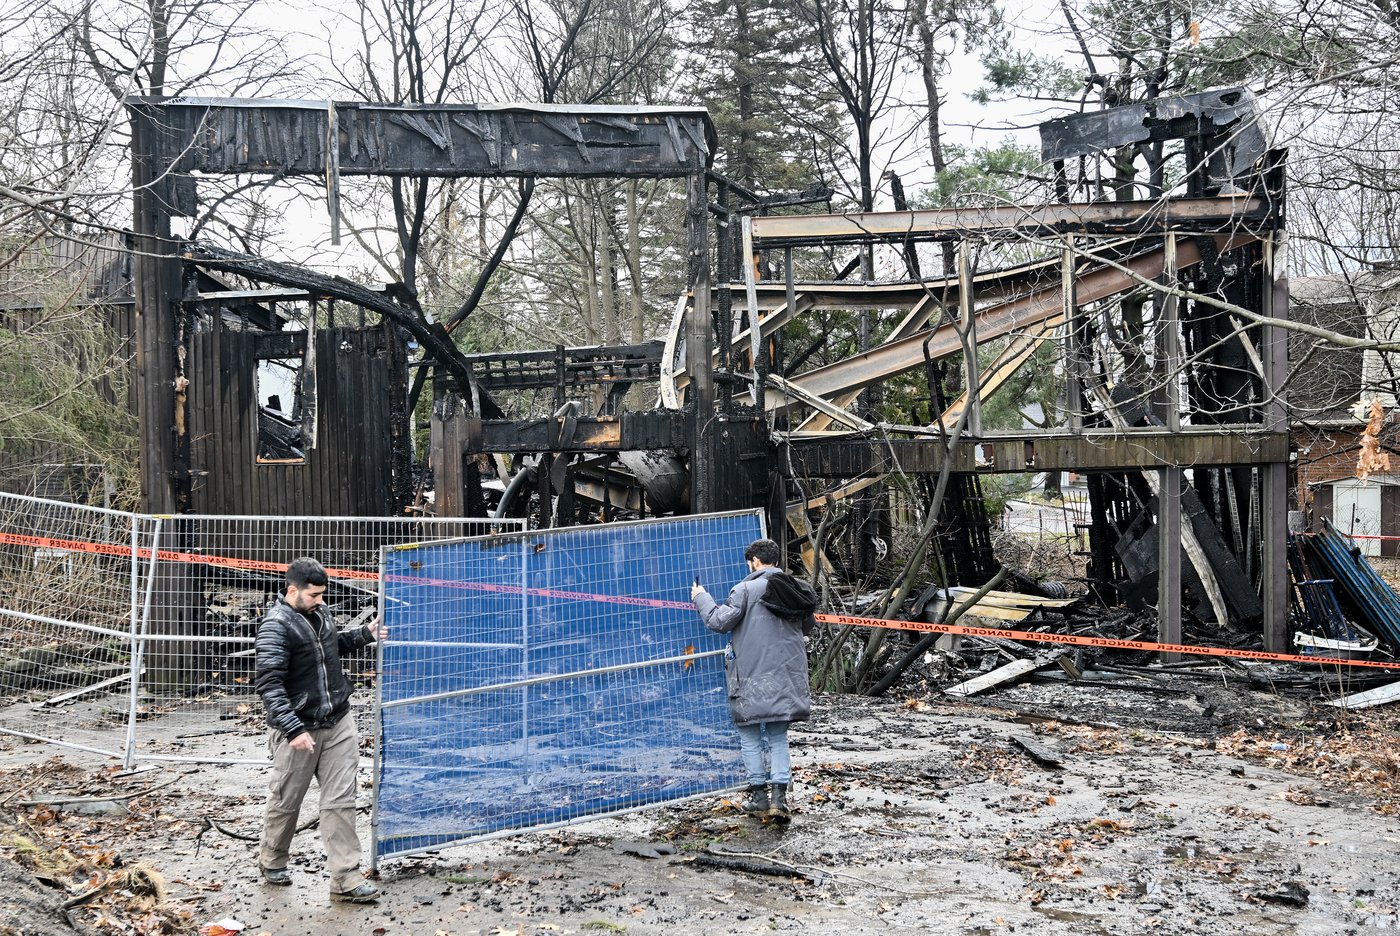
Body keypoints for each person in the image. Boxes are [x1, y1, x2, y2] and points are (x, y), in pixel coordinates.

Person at [255, 557, 383, 903]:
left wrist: (363, 635)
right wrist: (293, 729)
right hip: (298, 730)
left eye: (322, 594)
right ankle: (272, 859)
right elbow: (269, 684)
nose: (321, 601)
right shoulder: (275, 627)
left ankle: (346, 878)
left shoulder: (320, 614)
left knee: (341, 800)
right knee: (286, 800)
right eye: (314, 595)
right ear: (292, 590)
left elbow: (329, 648)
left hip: (337, 720)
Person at [692, 538, 817, 823]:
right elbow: (808, 625)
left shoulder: (745, 590)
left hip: (751, 676)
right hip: (786, 675)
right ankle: (780, 799)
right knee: (778, 737)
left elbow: (718, 622)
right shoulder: (796, 588)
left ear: (755, 562)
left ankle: (758, 797)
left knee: (749, 736)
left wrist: (701, 596)